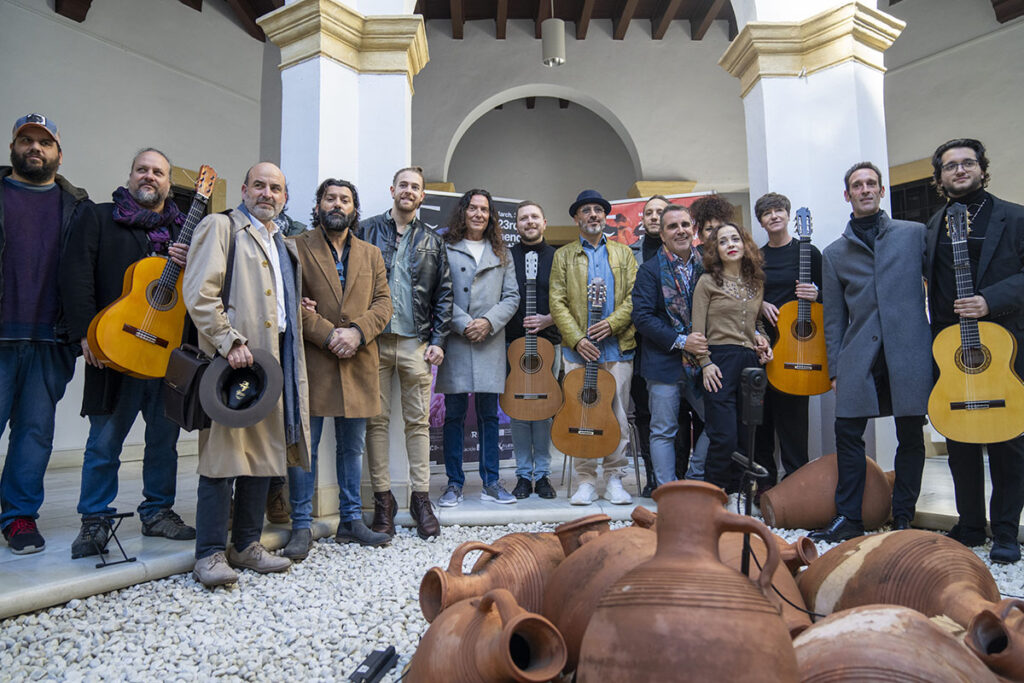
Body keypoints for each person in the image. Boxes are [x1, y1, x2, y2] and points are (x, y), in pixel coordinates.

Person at [60, 148, 196, 558]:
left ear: (169, 183)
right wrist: (86, 334)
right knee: (104, 441)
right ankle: (95, 519)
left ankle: (157, 512)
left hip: (166, 354)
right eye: (143, 169)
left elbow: (204, 293)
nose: (149, 177)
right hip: (115, 348)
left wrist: (193, 263)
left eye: (158, 172)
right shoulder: (99, 216)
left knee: (163, 440)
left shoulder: (183, 234)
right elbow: (76, 273)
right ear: (131, 175)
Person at [183, 162, 311, 587]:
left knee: (263, 455)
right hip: (233, 361)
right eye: (259, 185)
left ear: (285, 197)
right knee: (222, 456)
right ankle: (209, 554)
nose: (267, 194)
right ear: (243, 189)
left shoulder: (282, 242)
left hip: (272, 363)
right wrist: (229, 340)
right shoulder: (221, 227)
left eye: (276, 187)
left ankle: (246, 545)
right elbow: (199, 293)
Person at [810, 162, 931, 544]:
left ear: (881, 191)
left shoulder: (914, 235)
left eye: (871, 184)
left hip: (909, 353)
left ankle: (903, 515)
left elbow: (941, 286)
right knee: (846, 433)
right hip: (860, 356)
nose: (864, 190)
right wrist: (833, 369)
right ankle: (848, 516)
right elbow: (833, 317)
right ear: (848, 195)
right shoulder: (834, 252)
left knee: (910, 434)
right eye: (857, 185)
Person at [282, 178, 393, 559]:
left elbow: (383, 305)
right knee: (304, 448)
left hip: (359, 359)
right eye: (330, 198)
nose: (337, 204)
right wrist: (329, 334)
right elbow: (287, 304)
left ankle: (350, 521)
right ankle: (301, 525)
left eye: (345, 199)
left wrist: (357, 332)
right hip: (314, 361)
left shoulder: (372, 254)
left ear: (354, 209)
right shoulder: (294, 247)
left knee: (352, 449)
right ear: (318, 205)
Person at [925, 138, 1024, 563]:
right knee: (960, 441)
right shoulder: (935, 225)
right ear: (940, 177)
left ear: (982, 169)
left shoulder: (1014, 217)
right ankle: (968, 525)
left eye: (967, 163)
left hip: (1004, 346)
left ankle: (1004, 530)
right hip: (953, 351)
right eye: (951, 166)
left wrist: (990, 300)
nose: (960, 171)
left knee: (1008, 445)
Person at [1, 114, 89, 555]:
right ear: (14, 147)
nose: (35, 148)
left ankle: (18, 517)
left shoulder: (76, 206)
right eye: (27, 141)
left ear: (58, 153)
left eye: (44, 142)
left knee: (34, 432)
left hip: (50, 337)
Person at [358, 167, 450, 539]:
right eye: (403, 185)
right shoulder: (365, 231)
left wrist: (438, 340)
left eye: (416, 187)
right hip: (374, 342)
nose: (408, 191)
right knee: (375, 422)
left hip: (416, 343)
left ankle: (421, 498)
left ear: (422, 196)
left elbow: (444, 293)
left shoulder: (432, 239)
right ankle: (383, 500)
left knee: (419, 424)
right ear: (392, 189)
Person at [550, 189, 638, 506]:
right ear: (577, 218)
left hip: (618, 349)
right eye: (586, 210)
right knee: (580, 414)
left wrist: (612, 324)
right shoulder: (563, 256)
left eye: (599, 210)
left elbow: (634, 297)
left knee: (616, 416)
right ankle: (585, 480)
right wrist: (577, 339)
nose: (593, 215)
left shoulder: (624, 254)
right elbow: (557, 302)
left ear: (605, 217)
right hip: (578, 353)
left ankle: (614, 478)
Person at [436, 190, 520, 506]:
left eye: (484, 209)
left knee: (488, 414)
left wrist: (487, 322)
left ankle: (492, 483)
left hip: (489, 341)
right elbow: (438, 292)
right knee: (454, 414)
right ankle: (454, 484)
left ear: (491, 215)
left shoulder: (502, 252)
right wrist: (463, 322)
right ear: (464, 212)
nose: (478, 214)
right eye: (473, 208)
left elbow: (512, 296)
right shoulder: (445, 247)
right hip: (457, 341)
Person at [631, 204, 710, 489]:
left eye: (685, 225)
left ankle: (694, 480)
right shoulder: (649, 271)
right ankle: (667, 491)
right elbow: (642, 317)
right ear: (662, 235)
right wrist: (680, 341)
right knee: (663, 431)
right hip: (663, 364)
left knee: (718, 421)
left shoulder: (709, 265)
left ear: (694, 230)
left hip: (704, 362)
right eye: (673, 227)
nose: (680, 231)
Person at [692, 223, 772, 500]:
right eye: (723, 241)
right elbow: (697, 331)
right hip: (719, 361)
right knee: (723, 436)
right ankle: (713, 495)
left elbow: (756, 324)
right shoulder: (707, 282)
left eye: (735, 239)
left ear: (745, 244)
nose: (730, 244)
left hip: (750, 362)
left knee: (747, 434)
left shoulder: (756, 283)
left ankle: (739, 493)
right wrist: (705, 363)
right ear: (716, 250)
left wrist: (763, 341)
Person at [753, 192, 822, 495]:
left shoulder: (808, 253)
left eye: (779, 210)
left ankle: (797, 489)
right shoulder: (755, 258)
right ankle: (765, 485)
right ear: (761, 221)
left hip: (797, 349)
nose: (774, 216)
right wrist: (761, 303)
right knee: (763, 422)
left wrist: (816, 295)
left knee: (794, 423)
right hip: (764, 346)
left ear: (789, 215)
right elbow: (743, 297)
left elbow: (829, 297)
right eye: (767, 213)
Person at [507, 201, 561, 499]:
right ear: (517, 225)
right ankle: (521, 475)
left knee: (543, 410)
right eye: (523, 218)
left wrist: (548, 319)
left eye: (534, 217)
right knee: (518, 410)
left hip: (548, 344)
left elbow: (570, 299)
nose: (529, 222)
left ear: (544, 222)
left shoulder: (559, 257)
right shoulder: (505, 257)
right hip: (513, 345)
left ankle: (542, 475)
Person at [628, 195, 669, 496]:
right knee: (644, 411)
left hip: (675, 345)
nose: (654, 217)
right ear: (642, 220)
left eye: (660, 212)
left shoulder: (688, 255)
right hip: (638, 342)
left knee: (675, 413)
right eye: (649, 213)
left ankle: (676, 473)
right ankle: (653, 474)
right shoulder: (628, 255)